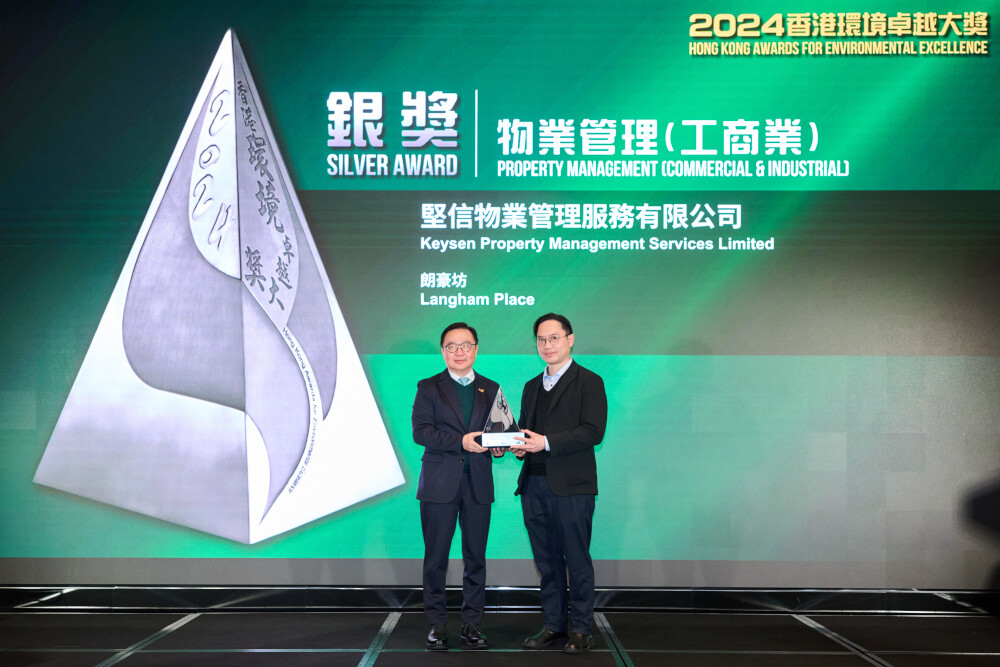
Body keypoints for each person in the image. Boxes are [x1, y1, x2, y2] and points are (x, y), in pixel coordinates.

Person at [512, 313, 607, 654]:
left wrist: (546, 442)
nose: (547, 345)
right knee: (547, 562)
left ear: (570, 339)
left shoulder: (589, 381)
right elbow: (527, 430)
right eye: (541, 339)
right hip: (533, 485)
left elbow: (593, 431)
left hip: (572, 487)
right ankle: (554, 625)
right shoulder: (531, 386)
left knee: (577, 560)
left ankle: (580, 629)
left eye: (554, 338)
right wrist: (518, 445)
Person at [412, 322, 505, 651]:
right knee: (435, 558)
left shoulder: (491, 388)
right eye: (452, 346)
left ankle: (471, 624)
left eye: (466, 345)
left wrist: (500, 446)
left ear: (476, 349)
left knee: (475, 557)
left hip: (478, 484)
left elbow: (501, 431)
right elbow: (421, 432)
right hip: (439, 484)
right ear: (443, 351)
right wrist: (460, 442)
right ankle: (437, 624)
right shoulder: (429, 387)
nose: (459, 351)